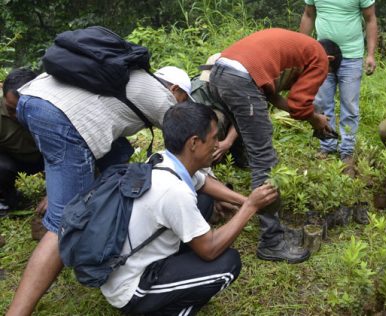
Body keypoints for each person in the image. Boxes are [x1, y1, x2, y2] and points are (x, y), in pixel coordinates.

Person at [7, 65, 186, 315]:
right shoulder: (160, 97)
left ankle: (105, 224)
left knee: (119, 153)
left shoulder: (121, 73)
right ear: (176, 91)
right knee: (63, 222)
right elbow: (189, 147)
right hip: (60, 117)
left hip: (34, 100)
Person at [101, 101, 277, 315]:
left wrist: (243, 200)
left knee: (204, 201)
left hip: (123, 264)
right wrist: (249, 207)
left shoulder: (163, 160)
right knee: (227, 264)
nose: (217, 144)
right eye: (213, 138)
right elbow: (210, 250)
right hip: (131, 288)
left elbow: (201, 181)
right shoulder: (173, 191)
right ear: (194, 142)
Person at [209, 28, 340, 264]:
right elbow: (300, 106)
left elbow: (272, 97)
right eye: (327, 73)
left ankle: (264, 220)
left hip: (219, 73)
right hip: (240, 80)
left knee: (252, 151)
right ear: (329, 61)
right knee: (265, 161)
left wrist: (312, 116)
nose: (322, 77)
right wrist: (316, 119)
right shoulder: (319, 55)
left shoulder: (295, 47)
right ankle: (271, 242)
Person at [300, 0, 378, 165]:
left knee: (349, 105)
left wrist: (370, 54)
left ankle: (347, 151)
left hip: (351, 56)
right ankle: (327, 145)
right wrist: (302, 51)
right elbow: (308, 15)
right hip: (322, 54)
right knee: (321, 103)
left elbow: (370, 19)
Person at [191, 53, 248, 168]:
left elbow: (245, 114)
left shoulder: (241, 87)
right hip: (213, 129)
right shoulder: (196, 93)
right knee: (215, 118)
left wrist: (228, 142)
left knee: (249, 159)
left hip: (236, 125)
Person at [0, 68, 42, 213]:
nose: (18, 116)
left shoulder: (51, 108)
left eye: (23, 109)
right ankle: (7, 198)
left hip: (46, 157)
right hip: (13, 159)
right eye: (11, 110)